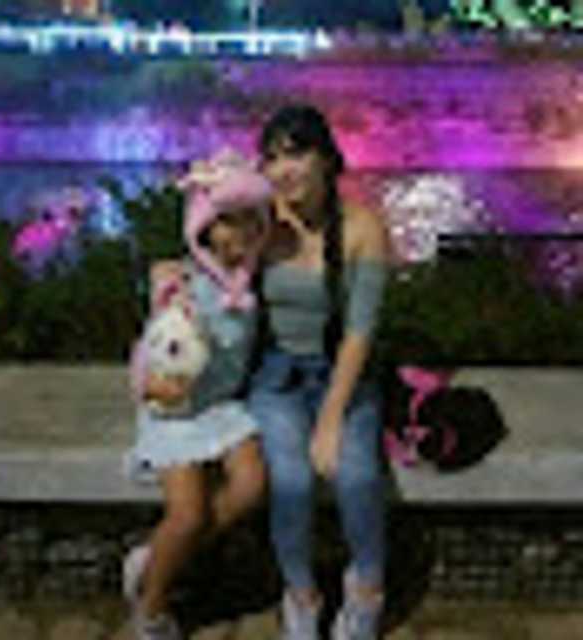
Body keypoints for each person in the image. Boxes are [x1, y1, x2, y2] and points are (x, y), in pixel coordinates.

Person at [248, 104, 388, 640]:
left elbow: (359, 332)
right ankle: (301, 594)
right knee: (291, 480)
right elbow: (207, 247)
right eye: (272, 158)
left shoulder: (361, 227)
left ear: (327, 159)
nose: (283, 171)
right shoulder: (261, 221)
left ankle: (368, 587)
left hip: (344, 375)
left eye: (296, 154)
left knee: (357, 475)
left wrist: (331, 420)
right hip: (276, 378)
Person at [123, 149, 272, 640]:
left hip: (222, 407)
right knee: (188, 515)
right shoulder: (181, 287)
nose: (239, 234)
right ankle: (151, 605)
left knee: (250, 487)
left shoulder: (248, 279)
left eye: (250, 221)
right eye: (226, 223)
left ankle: (157, 557)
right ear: (203, 228)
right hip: (177, 412)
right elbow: (153, 350)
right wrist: (149, 384)